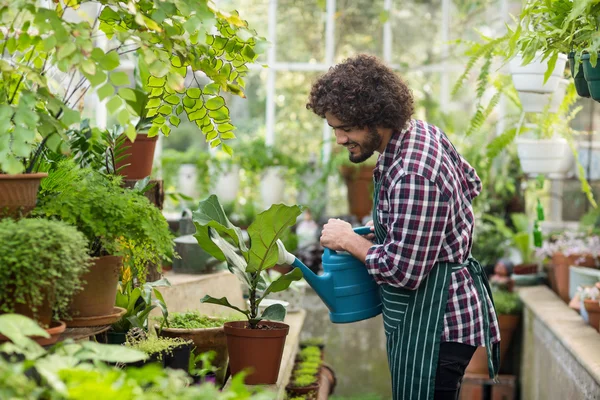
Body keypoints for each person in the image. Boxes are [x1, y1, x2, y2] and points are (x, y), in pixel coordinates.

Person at [306, 54, 501, 400]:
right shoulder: (419, 132)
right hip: (430, 319)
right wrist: (401, 229)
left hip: (437, 324)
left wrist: (350, 240)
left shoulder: (413, 171)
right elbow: (471, 183)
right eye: (334, 128)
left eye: (346, 128)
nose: (339, 139)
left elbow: (403, 271)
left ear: (376, 118)